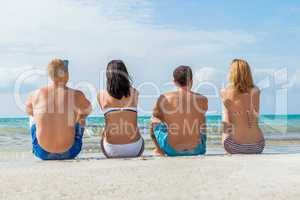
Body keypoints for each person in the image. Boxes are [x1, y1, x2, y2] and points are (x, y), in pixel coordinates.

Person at [26, 58, 92, 160]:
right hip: (70, 152)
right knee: (82, 117)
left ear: (50, 75)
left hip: (42, 153)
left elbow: (29, 111)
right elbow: (88, 110)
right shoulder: (77, 95)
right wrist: (77, 118)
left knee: (32, 116)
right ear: (66, 74)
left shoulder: (36, 94)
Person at [150, 65, 208, 156]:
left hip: (171, 150)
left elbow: (156, 118)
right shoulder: (203, 99)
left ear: (174, 82)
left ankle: (158, 150)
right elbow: (201, 123)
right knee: (203, 118)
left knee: (153, 119)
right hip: (197, 150)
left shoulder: (164, 98)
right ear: (191, 81)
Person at [98, 60, 144, 158]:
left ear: (108, 76)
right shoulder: (135, 92)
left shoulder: (101, 95)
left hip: (111, 150)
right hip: (134, 149)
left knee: (105, 129)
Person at [221, 59, 265, 154]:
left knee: (225, 119)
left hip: (234, 146)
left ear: (232, 73)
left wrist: (224, 138)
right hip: (258, 145)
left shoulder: (225, 92)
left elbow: (227, 123)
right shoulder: (256, 90)